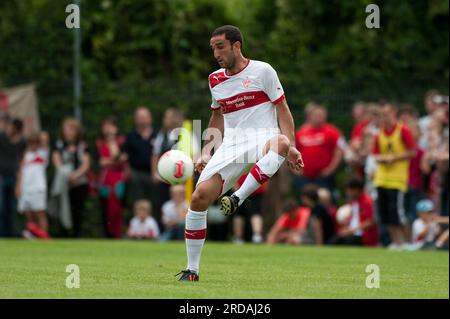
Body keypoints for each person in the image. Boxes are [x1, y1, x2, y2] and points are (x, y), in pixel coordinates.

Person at [176, 25, 304, 282]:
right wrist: (206, 151)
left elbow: (283, 109)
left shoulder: (263, 71)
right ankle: (192, 270)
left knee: (280, 143)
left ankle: (238, 197)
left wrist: (291, 145)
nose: (216, 53)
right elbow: (217, 117)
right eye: (212, 48)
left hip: (263, 136)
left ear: (237, 45)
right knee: (199, 198)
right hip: (233, 144)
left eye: (220, 46)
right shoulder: (215, 79)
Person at [373, 102, 416, 249]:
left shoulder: (402, 130)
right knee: (385, 215)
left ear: (394, 114)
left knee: (398, 214)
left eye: (387, 114)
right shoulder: (379, 133)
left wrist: (394, 158)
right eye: (382, 115)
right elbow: (376, 154)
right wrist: (382, 159)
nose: (384, 118)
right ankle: (396, 243)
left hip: (397, 180)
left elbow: (412, 151)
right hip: (381, 178)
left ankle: (409, 243)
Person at [50, 117, 91, 237]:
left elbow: (86, 164)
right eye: (66, 129)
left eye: (72, 129)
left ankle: (76, 234)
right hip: (63, 182)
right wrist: (66, 175)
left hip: (79, 182)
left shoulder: (82, 146)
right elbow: (57, 162)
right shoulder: (59, 145)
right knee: (62, 207)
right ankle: (63, 234)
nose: (69, 132)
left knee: (77, 210)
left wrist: (75, 175)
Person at [295, 103, 345, 193]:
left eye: (322, 115)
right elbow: (292, 152)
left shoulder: (332, 132)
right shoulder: (301, 133)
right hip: (305, 176)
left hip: (323, 176)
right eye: (317, 115)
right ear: (309, 116)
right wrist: (296, 170)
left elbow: (339, 152)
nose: (320, 117)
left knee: (324, 199)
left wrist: (330, 169)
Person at [151, 108, 185, 223]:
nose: (165, 120)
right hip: (163, 178)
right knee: (162, 203)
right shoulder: (162, 135)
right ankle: (162, 230)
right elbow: (155, 154)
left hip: (181, 177)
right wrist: (155, 173)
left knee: (182, 204)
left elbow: (194, 154)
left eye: (168, 117)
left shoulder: (185, 134)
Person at [96, 117, 127, 238]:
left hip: (119, 179)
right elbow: (101, 162)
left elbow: (119, 157)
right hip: (105, 180)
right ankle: (108, 233)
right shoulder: (99, 143)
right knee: (106, 208)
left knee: (117, 207)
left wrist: (112, 142)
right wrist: (114, 160)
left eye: (111, 126)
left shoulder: (121, 142)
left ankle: (118, 233)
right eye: (106, 126)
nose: (108, 129)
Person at [122, 107, 158, 210]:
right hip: (136, 175)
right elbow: (125, 156)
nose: (142, 119)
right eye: (140, 117)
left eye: (144, 117)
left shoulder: (158, 135)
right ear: (135, 119)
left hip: (154, 175)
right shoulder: (130, 136)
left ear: (150, 118)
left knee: (154, 203)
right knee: (137, 203)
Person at [16, 132, 50, 239]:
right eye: (31, 143)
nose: (33, 146)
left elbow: (45, 138)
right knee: (28, 214)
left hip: (38, 187)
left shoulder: (43, 153)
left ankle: (44, 236)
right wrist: (18, 186)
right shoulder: (25, 156)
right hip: (26, 188)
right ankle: (32, 235)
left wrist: (40, 139)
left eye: (35, 143)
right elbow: (20, 172)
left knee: (40, 213)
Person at [330, 178, 378, 246]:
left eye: (349, 190)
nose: (347, 193)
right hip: (352, 233)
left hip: (363, 236)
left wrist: (351, 230)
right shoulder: (353, 201)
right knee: (333, 241)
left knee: (347, 242)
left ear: (356, 190)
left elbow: (370, 221)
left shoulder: (367, 202)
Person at [0, 117, 25, 237]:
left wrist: (19, 182)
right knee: (1, 206)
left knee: (11, 208)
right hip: (1, 176)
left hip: (13, 177)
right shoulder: (1, 138)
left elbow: (21, 161)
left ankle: (10, 234)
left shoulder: (22, 142)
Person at [232, 173, 266, 244]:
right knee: (252, 212)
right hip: (255, 184)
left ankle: (242, 238)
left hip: (244, 186)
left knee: (241, 213)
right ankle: (256, 236)